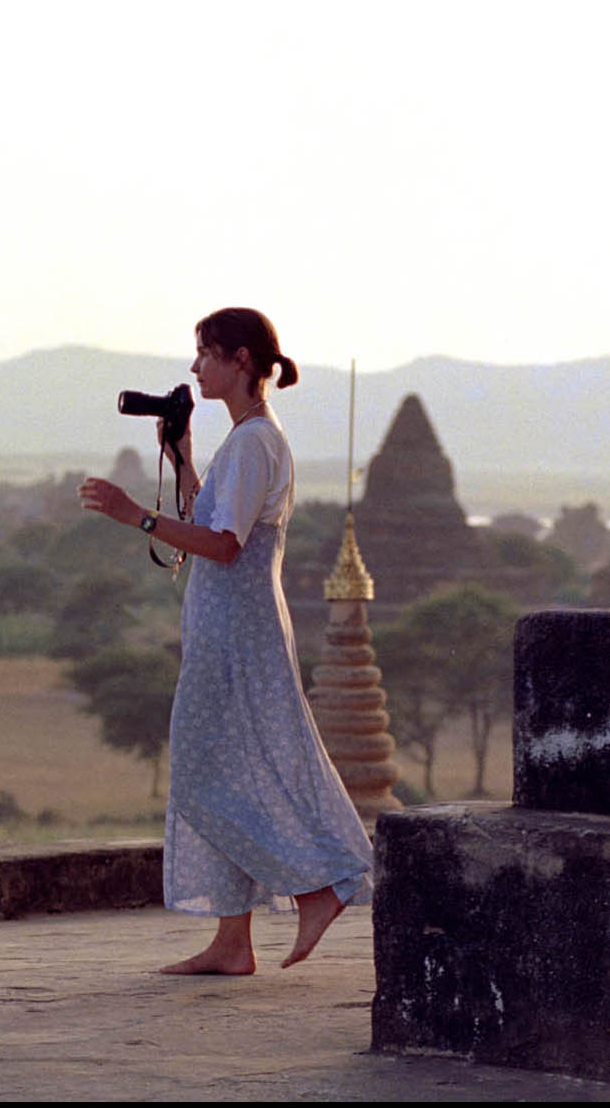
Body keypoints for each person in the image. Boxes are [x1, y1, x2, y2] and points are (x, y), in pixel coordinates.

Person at [78, 307, 372, 974]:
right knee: (228, 766)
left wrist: (136, 515)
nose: (194, 368)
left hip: (237, 630)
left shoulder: (254, 442)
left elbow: (223, 544)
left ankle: (316, 885)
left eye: (205, 354)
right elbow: (210, 512)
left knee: (201, 772)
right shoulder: (248, 440)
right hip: (228, 624)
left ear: (240, 361)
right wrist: (181, 459)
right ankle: (232, 942)